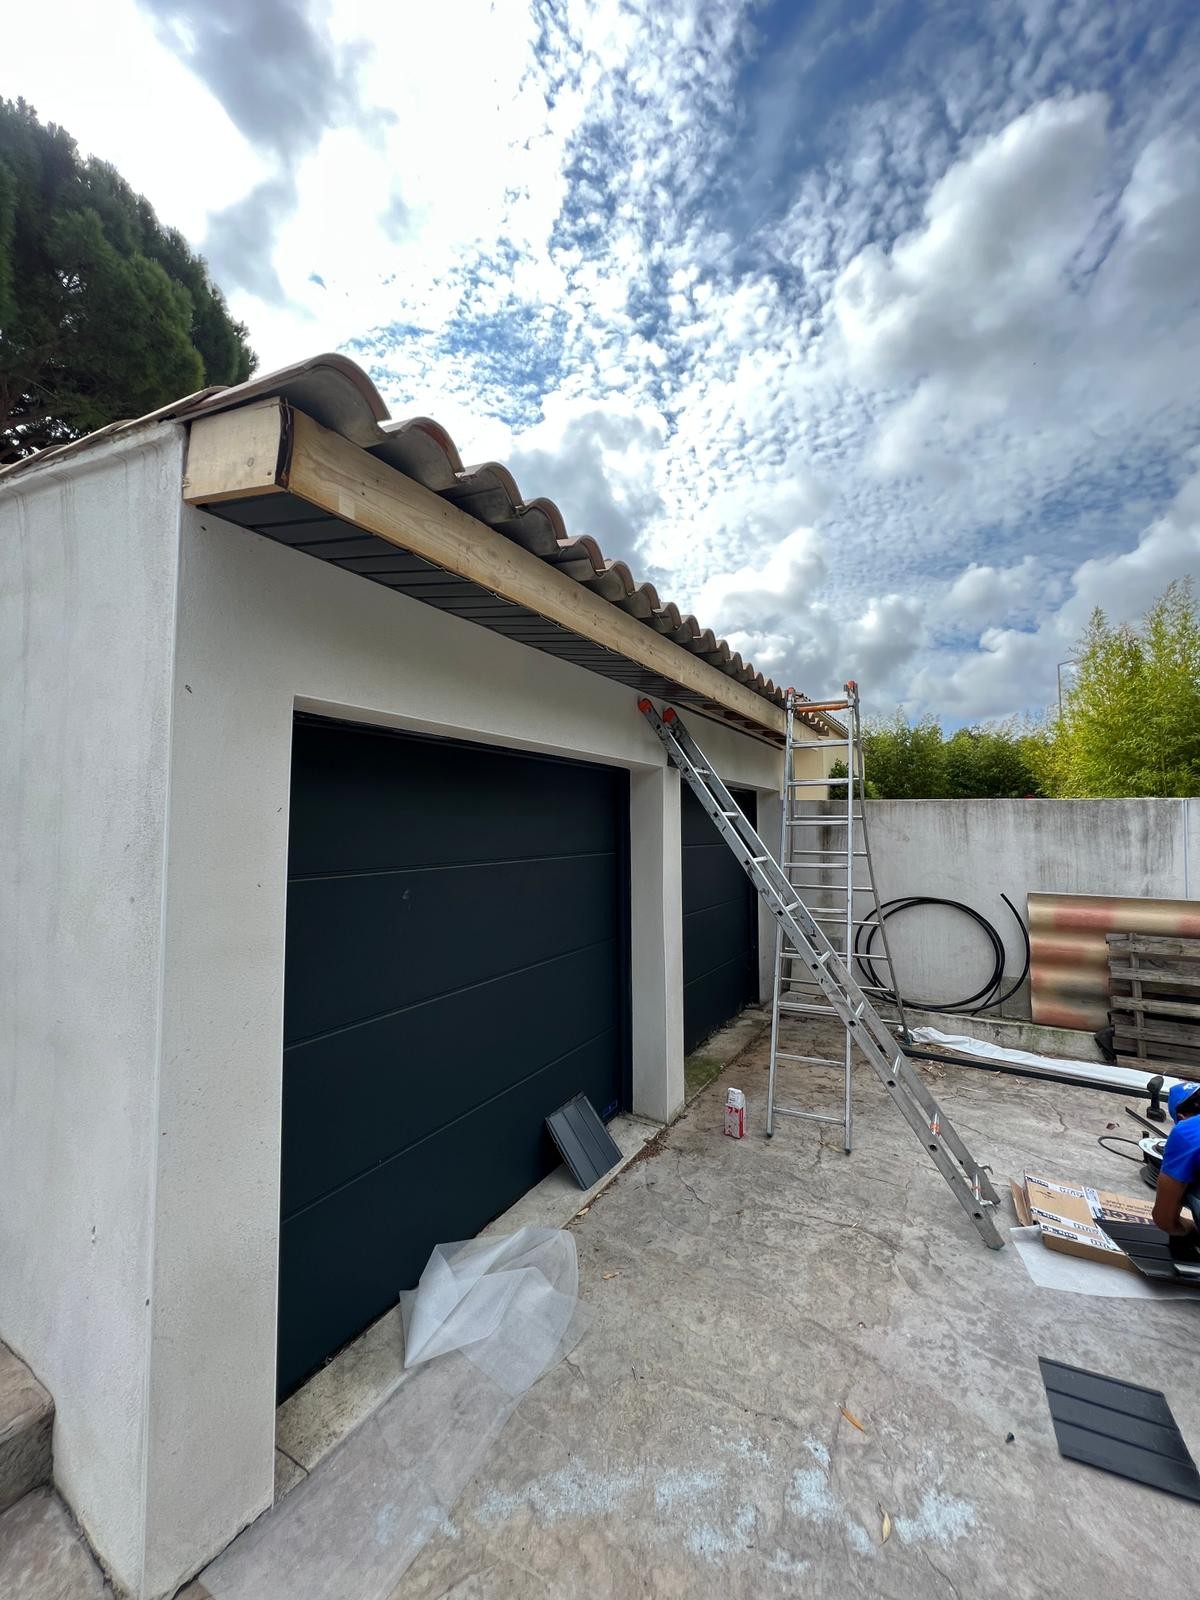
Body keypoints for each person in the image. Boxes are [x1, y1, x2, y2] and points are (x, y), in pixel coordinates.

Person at [1152, 1082, 1200, 1236]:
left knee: (1183, 1179)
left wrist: (1190, 1229)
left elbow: (1164, 1219)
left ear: (1181, 1117)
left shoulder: (1186, 1131)